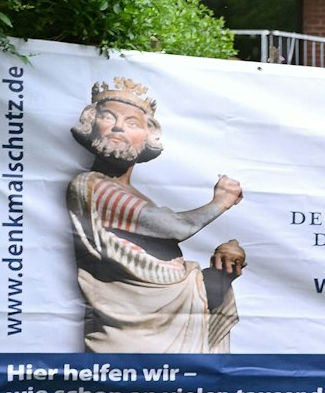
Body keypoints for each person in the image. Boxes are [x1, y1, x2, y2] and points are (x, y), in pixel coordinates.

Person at [66, 77, 248, 353]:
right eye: (108, 117)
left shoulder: (137, 197)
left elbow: (170, 281)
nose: (118, 127)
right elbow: (174, 227)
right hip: (124, 342)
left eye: (132, 123)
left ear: (148, 136)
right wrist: (221, 202)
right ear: (91, 124)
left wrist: (222, 272)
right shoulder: (90, 186)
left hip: (175, 332)